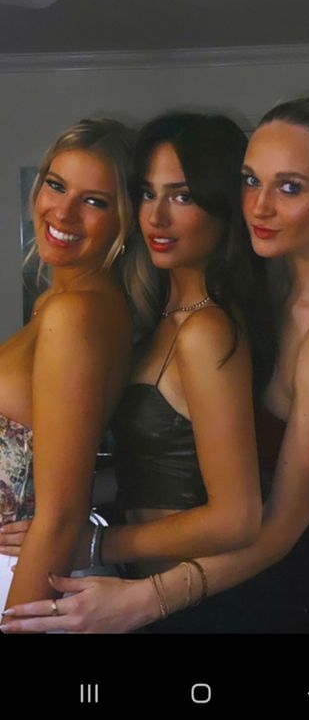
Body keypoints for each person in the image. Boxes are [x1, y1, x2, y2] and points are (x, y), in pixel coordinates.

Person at [3, 94, 309, 634]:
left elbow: (262, 522)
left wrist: (100, 548)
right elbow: (177, 458)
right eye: (250, 181)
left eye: (289, 187)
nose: (259, 206)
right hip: (244, 576)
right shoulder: (261, 301)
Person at [0, 111, 266, 631]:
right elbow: (148, 469)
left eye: (182, 196)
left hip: (181, 602)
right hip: (125, 588)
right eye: (147, 193)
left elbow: (238, 517)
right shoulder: (154, 318)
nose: (157, 217)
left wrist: (95, 540)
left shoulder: (201, 328)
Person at [0, 117, 136, 618]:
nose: (62, 211)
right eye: (56, 186)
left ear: (124, 220)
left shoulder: (75, 314)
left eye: (94, 201)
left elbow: (60, 517)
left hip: (23, 580)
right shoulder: (57, 305)